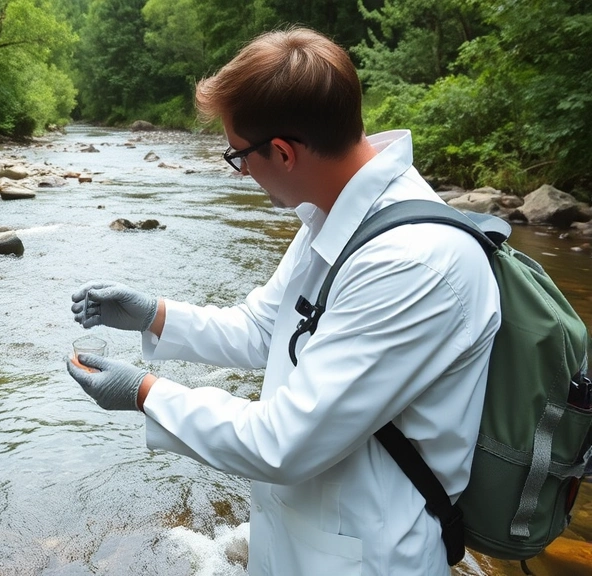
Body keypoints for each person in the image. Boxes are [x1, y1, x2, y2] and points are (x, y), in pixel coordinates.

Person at [65, 27, 501, 576]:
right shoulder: (334, 210)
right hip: (309, 537)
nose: (240, 170)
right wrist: (155, 313)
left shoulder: (412, 262)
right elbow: (263, 328)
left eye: (236, 155)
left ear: (282, 152)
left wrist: (143, 393)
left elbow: (283, 443)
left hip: (371, 558)